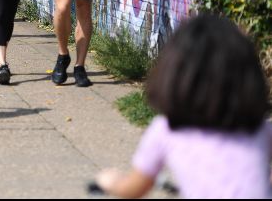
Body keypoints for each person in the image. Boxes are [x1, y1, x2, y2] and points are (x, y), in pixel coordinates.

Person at [95, 13, 272, 198]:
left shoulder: (166, 130)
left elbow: (132, 190)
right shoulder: (260, 129)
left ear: (174, 73)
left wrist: (111, 181)